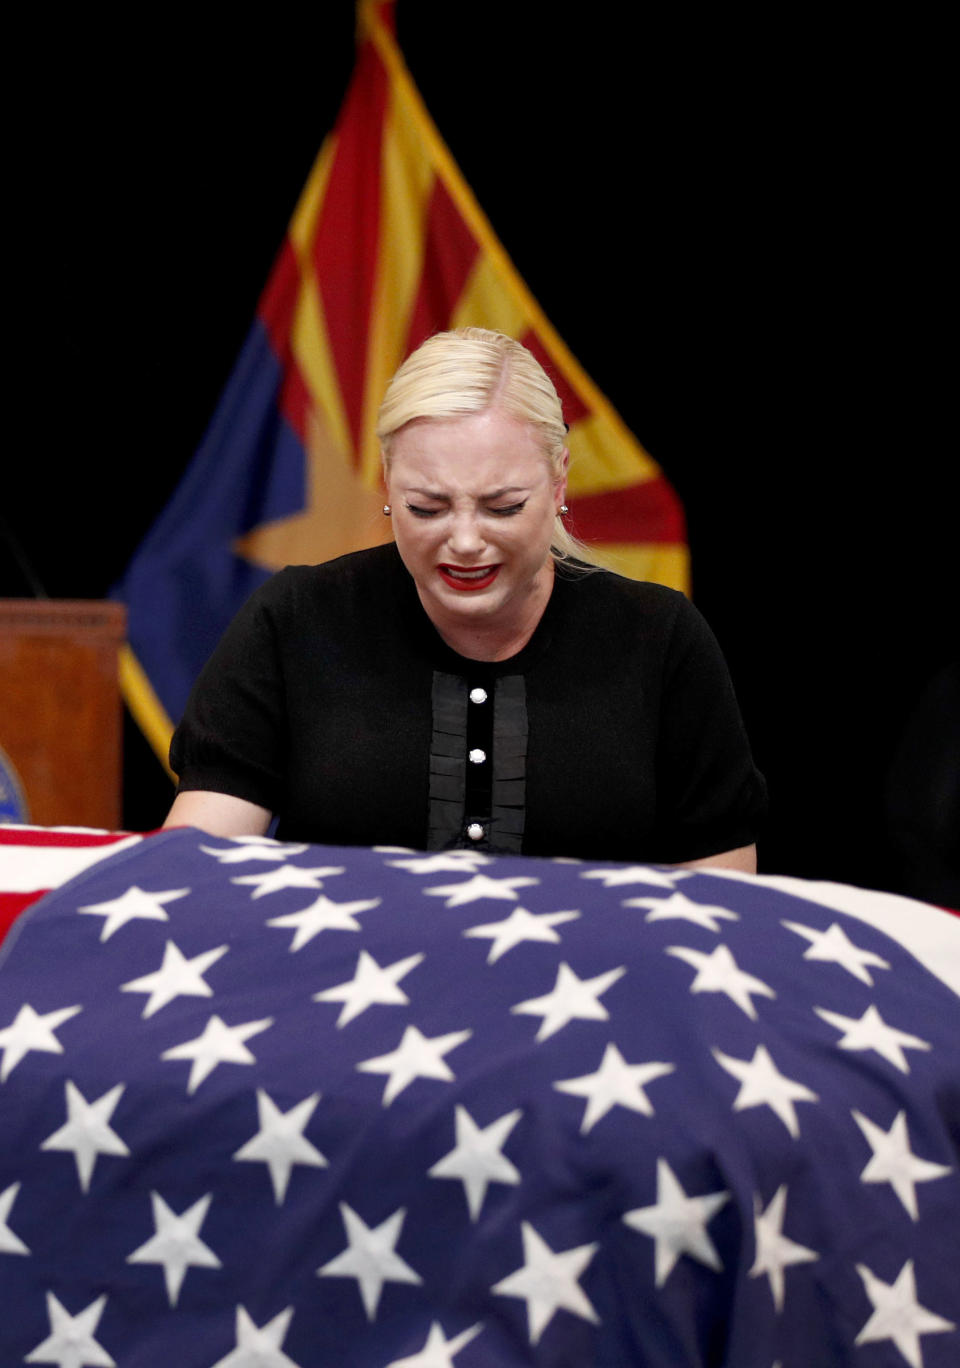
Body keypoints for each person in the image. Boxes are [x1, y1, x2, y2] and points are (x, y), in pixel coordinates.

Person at [165, 328, 766, 871]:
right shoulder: (295, 620)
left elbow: (722, 907)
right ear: (386, 481)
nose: (465, 541)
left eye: (502, 506)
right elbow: (194, 866)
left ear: (558, 483)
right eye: (426, 507)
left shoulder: (660, 639)